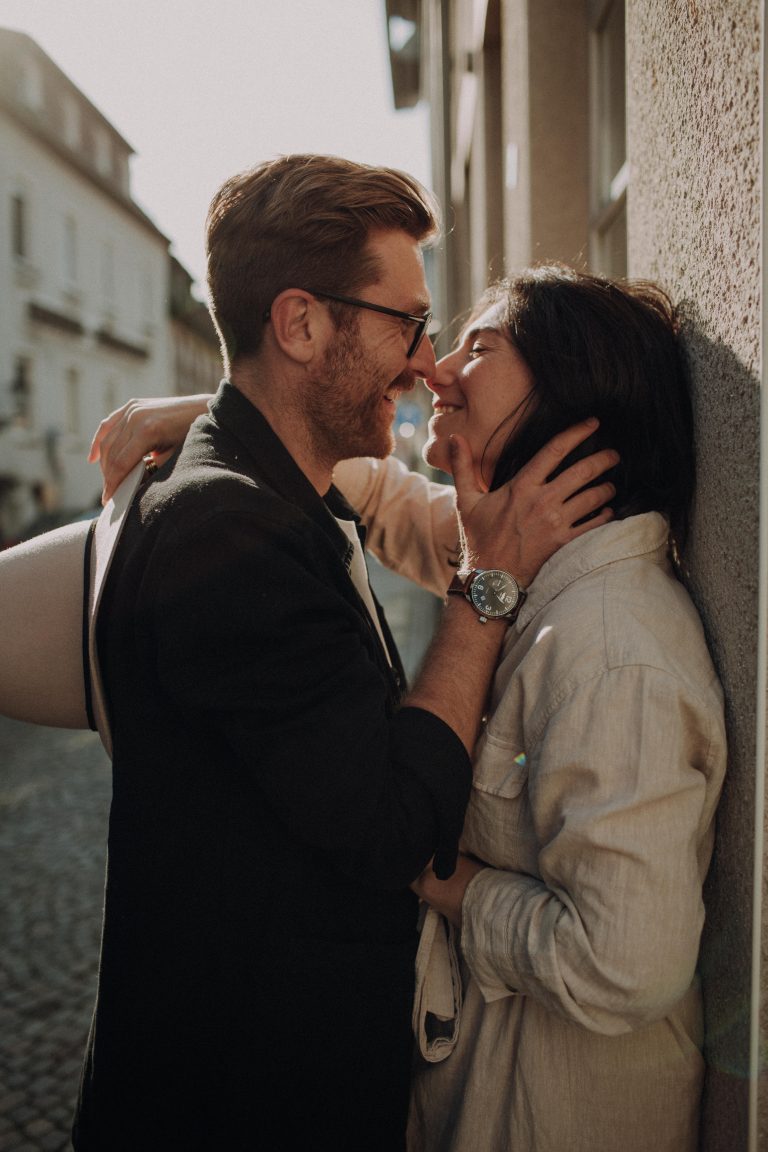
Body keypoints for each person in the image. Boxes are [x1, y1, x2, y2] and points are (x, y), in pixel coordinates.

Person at [57, 159, 617, 1152]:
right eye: (407, 322)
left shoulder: (265, 481)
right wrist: (483, 590)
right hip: (242, 1104)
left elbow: (380, 486)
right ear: (302, 324)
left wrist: (192, 406)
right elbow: (394, 828)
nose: (426, 362)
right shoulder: (226, 533)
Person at [104, 263, 726, 1152]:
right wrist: (226, 416)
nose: (434, 369)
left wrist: (438, 876)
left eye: (480, 346)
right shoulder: (533, 555)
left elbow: (626, 963)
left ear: (570, 394)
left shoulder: (613, 651)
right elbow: (392, 503)